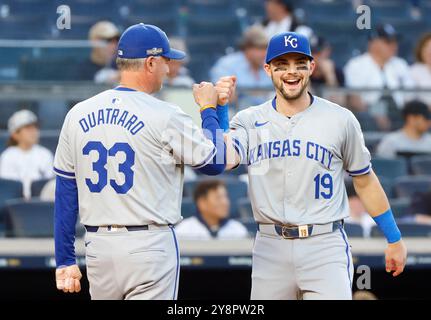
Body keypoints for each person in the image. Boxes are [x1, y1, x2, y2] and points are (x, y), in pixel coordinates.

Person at [205, 32, 407, 299]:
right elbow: (219, 160)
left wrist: (393, 237)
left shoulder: (340, 119)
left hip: (324, 243)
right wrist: (218, 109)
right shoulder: (250, 119)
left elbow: (365, 180)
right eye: (282, 64)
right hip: (270, 245)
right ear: (268, 69)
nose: (291, 72)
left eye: (299, 63)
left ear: (312, 67)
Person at [53, 23, 228, 299]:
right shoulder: (165, 114)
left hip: (98, 248)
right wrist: (210, 109)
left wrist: (64, 259)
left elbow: (65, 192)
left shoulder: (77, 113)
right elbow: (215, 162)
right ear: (150, 62)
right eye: (166, 61)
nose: (168, 69)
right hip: (150, 245)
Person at [344, 24, 415, 131]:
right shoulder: (356, 64)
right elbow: (354, 100)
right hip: (370, 115)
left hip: (399, 112)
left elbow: (410, 96)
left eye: (395, 41)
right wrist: (376, 112)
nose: (393, 46)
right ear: (373, 43)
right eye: (388, 42)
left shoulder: (400, 64)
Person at [210, 26, 272, 109]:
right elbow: (220, 97)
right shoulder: (226, 65)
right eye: (260, 48)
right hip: (233, 116)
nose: (264, 53)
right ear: (247, 48)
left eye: (266, 48)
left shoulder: (269, 65)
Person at [0, 110, 54, 198]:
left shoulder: (45, 154)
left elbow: (50, 187)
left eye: (35, 127)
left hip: (40, 204)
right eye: (28, 128)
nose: (34, 131)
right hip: (16, 206)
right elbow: (8, 191)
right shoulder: (7, 156)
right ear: (15, 134)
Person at [175, 179, 248, 240]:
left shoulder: (238, 229)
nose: (225, 202)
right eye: (218, 198)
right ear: (202, 202)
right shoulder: (183, 230)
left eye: (225, 197)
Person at [410, 33, 431, 106]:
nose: (429, 52)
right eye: (426, 48)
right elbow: (410, 98)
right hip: (422, 113)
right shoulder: (414, 70)